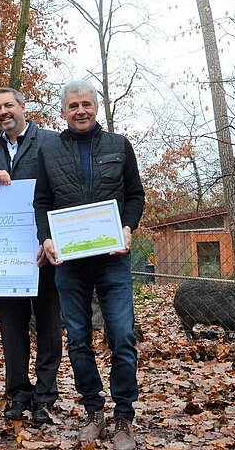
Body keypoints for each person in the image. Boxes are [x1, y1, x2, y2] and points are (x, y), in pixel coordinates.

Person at [33, 80, 144, 448]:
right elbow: (42, 202)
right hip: (70, 262)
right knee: (79, 339)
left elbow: (135, 195)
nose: (80, 111)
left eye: (86, 104)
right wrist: (46, 238)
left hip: (113, 259)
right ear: (63, 112)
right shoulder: (49, 151)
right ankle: (93, 410)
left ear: (96, 107)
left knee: (122, 336)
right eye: (73, 106)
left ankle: (124, 415)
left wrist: (127, 228)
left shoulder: (119, 145)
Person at [0, 87, 62, 424]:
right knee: (11, 328)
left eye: (9, 105)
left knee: (49, 326)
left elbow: (62, 190)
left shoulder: (50, 141)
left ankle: (45, 396)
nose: (3, 112)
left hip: (44, 251)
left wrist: (50, 238)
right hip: (5, 257)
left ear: (23, 107)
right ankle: (19, 393)